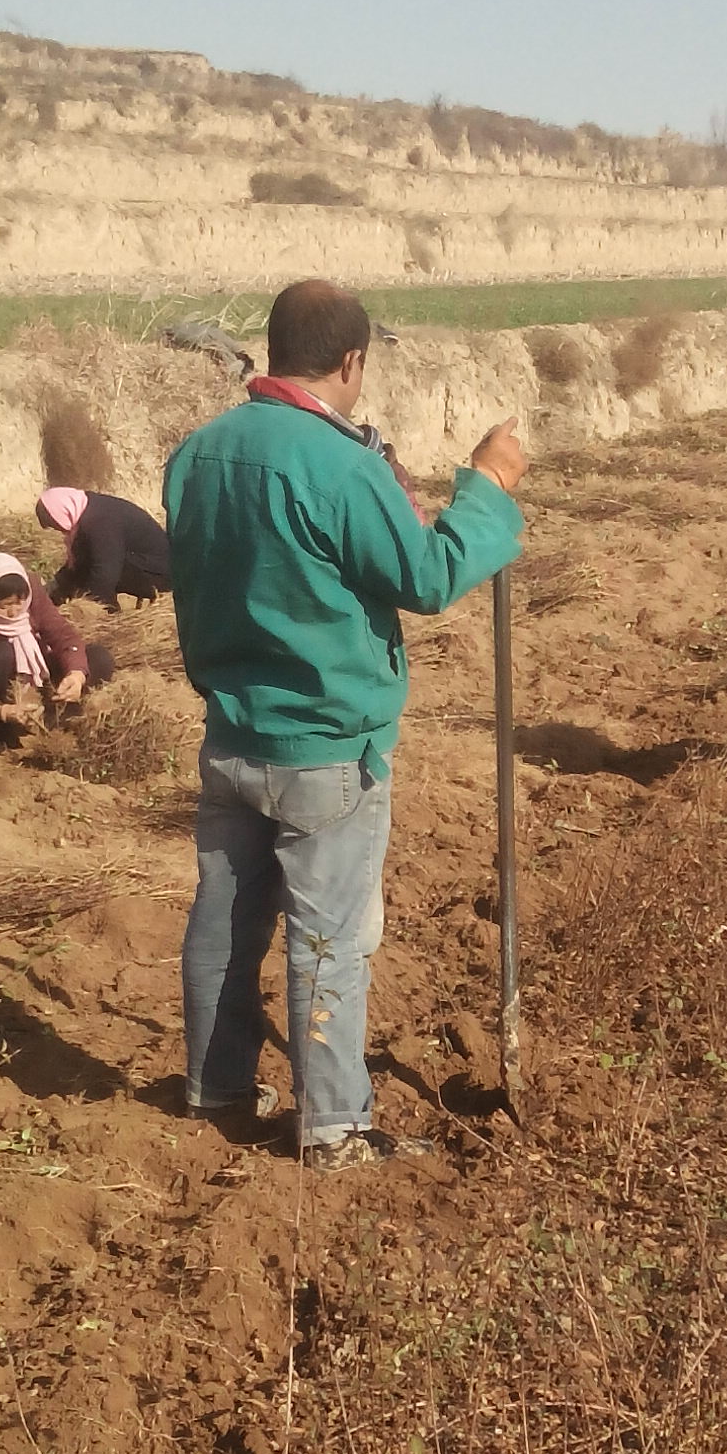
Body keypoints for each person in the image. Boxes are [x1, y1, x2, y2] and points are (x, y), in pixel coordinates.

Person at [165, 277, 526, 1171]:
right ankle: (334, 1129)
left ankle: (215, 1086)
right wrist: (487, 490)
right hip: (327, 747)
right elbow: (431, 578)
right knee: (329, 940)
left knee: (225, 921)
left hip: (230, 734)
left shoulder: (198, 452)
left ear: (273, 346)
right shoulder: (342, 466)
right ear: (352, 360)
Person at [0, 552, 113, 740]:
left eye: (19, 603)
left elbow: (63, 636)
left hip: (37, 668)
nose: (14, 612)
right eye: (4, 606)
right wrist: (0, 710)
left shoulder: (32, 590)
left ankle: (58, 715)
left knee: (97, 658)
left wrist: (76, 675)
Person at [35, 484, 172, 611]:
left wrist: (94, 608)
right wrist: (54, 588)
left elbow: (105, 570)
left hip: (159, 574)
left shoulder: (99, 521)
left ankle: (117, 608)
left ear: (62, 513)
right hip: (138, 563)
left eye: (55, 524)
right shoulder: (87, 508)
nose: (61, 531)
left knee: (97, 572)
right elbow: (79, 562)